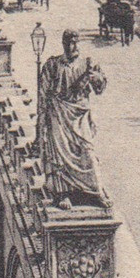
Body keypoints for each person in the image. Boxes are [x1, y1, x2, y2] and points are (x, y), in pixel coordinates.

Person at [37, 30, 109, 209]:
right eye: (68, 43)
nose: (72, 47)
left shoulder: (88, 64)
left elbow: (99, 89)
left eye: (75, 43)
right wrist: (41, 123)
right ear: (63, 44)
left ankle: (96, 190)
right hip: (58, 113)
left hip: (79, 115)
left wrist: (96, 78)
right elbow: (42, 95)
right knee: (60, 156)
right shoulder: (52, 65)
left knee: (87, 151)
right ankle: (63, 194)